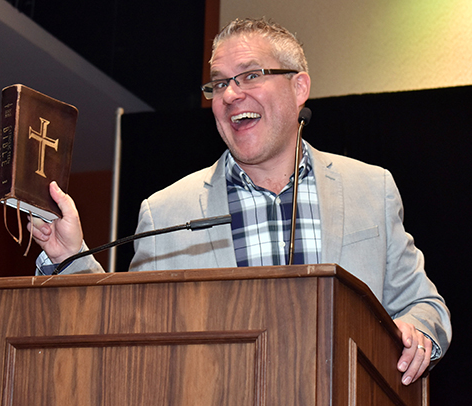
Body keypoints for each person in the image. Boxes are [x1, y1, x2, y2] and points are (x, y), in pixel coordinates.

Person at [30, 17, 451, 387]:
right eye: (218, 83)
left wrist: (419, 332)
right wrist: (70, 257)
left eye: (249, 76)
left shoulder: (369, 188)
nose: (230, 95)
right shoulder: (167, 211)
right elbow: (127, 334)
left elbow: (425, 305)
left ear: (299, 86)